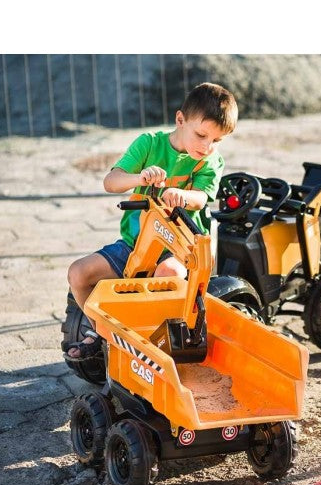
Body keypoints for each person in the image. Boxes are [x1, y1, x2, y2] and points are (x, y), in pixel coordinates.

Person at [64, 82, 238, 360]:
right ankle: (102, 333)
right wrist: (139, 178)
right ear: (180, 120)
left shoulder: (209, 162)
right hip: (135, 245)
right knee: (78, 273)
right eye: (202, 135)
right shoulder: (149, 144)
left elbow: (202, 198)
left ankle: (152, 346)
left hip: (182, 249)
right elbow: (111, 182)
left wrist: (181, 194)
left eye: (216, 141)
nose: (207, 147)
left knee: (165, 275)